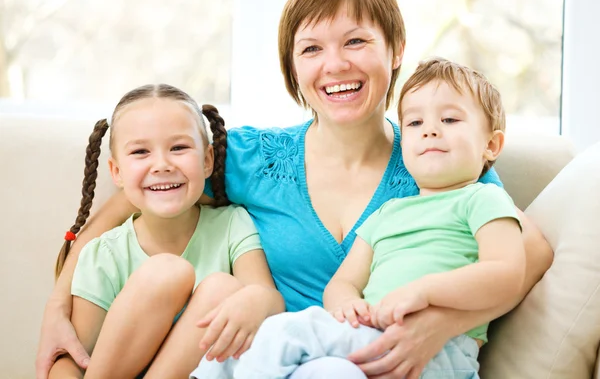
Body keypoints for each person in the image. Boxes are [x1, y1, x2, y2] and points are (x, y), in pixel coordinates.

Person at [37, 0, 553, 379]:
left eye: (356, 42)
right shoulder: (249, 157)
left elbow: (529, 254)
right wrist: (57, 307)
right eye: (311, 48)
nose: (335, 65)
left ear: (395, 51)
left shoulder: (434, 158)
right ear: (292, 69)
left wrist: (441, 324)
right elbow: (131, 197)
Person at [194, 57, 524, 378]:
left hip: (441, 349)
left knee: (292, 332)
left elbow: (507, 272)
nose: (430, 132)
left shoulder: (483, 198)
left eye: (450, 120)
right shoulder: (388, 212)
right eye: (415, 123)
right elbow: (344, 282)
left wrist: (426, 292)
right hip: (373, 334)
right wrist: (348, 304)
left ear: (492, 145)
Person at [47, 84, 284, 379]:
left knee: (223, 289)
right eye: (140, 151)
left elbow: (269, 298)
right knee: (166, 272)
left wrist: (258, 299)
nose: (161, 165)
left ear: (207, 160)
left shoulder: (232, 225)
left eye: (179, 148)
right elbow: (73, 360)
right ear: (116, 172)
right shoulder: (103, 254)